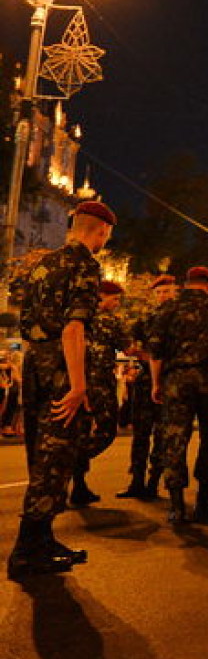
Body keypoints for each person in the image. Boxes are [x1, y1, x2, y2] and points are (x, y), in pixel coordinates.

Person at [6, 200, 114, 579]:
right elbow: (74, 328)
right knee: (54, 462)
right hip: (60, 370)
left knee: (40, 456)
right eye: (105, 236)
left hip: (34, 365)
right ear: (101, 231)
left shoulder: (41, 264)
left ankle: (43, 539)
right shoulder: (85, 264)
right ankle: (27, 550)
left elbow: (26, 323)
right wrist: (79, 385)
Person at [148, 266, 208, 523]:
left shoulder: (168, 309)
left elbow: (156, 352)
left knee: (175, 439)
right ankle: (202, 499)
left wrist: (156, 384)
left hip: (177, 381)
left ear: (186, 284)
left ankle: (176, 505)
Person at [117, 274, 178, 501]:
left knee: (163, 436)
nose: (163, 296)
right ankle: (136, 481)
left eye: (167, 291)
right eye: (159, 292)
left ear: (175, 292)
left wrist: (150, 357)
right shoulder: (147, 319)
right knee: (140, 435)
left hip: (170, 382)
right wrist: (137, 354)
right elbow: (135, 346)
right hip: (145, 383)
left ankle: (153, 481)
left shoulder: (181, 318)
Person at [68, 281, 129, 507]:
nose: (116, 304)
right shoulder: (110, 321)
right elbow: (130, 347)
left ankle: (77, 483)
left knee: (81, 433)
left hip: (76, 383)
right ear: (101, 297)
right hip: (100, 385)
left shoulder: (78, 319)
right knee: (106, 431)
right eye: (114, 299)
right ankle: (74, 468)